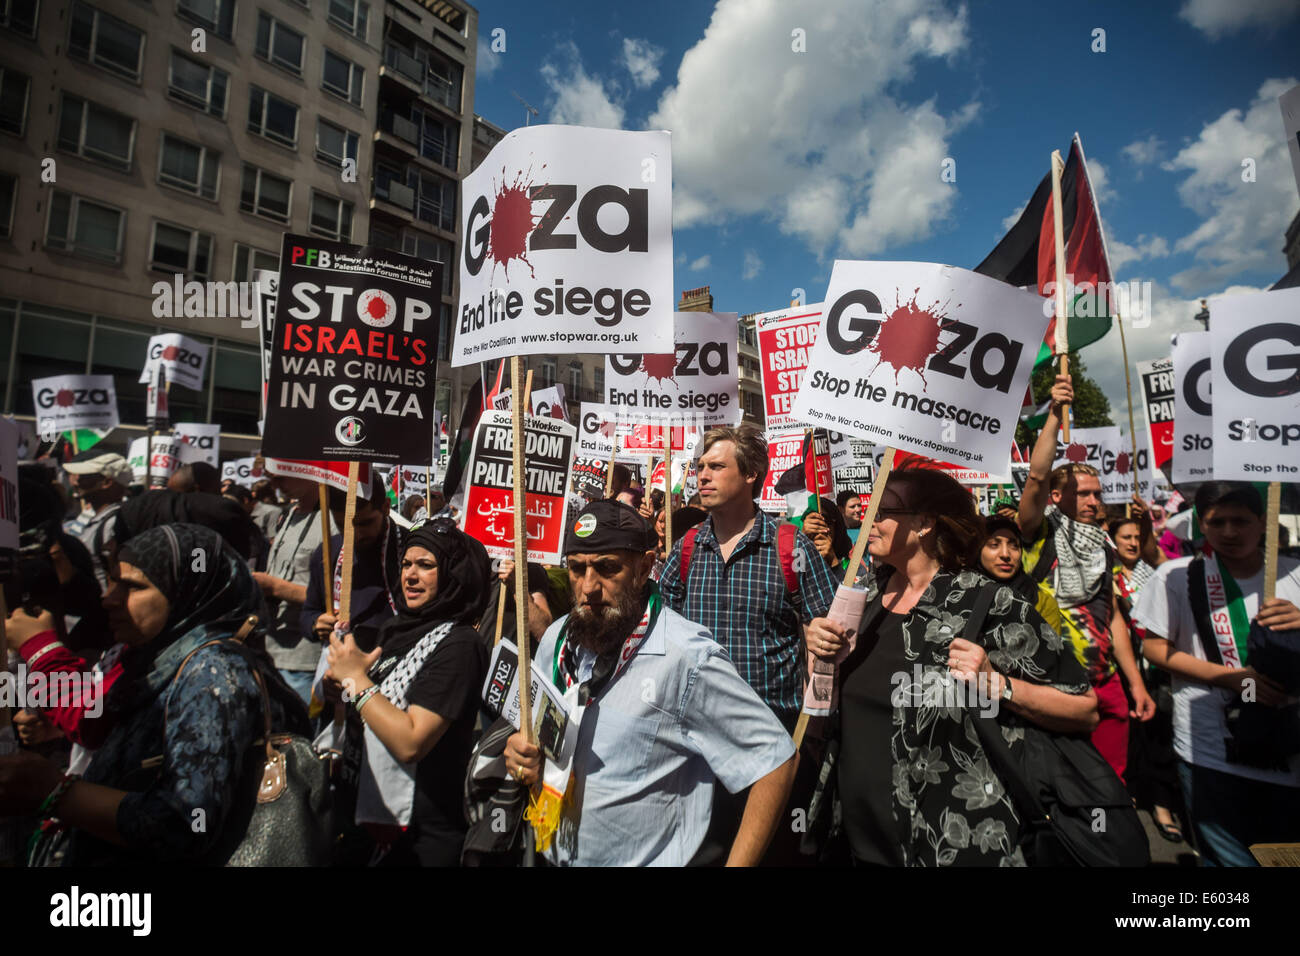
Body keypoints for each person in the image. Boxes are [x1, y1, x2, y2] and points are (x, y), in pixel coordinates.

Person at [805, 467, 1097, 866]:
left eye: (882, 509)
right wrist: (818, 651)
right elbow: (833, 702)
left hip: (952, 843)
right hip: (857, 843)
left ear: (924, 523)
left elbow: (1084, 708)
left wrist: (996, 684)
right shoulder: (864, 595)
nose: (866, 517)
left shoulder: (988, 604)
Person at [503, 501, 797, 866]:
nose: (588, 587)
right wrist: (523, 753)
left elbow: (774, 760)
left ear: (643, 568)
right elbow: (539, 737)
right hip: (550, 850)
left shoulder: (687, 657)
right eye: (576, 569)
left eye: (607, 568)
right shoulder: (556, 640)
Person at [0, 524, 310, 865]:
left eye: (132, 586)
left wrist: (55, 791)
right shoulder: (155, 659)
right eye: (113, 581)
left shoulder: (214, 673)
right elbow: (91, 720)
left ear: (187, 592)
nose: (109, 598)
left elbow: (188, 823)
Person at [1134, 481, 1300, 866]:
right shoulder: (1175, 576)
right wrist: (1231, 679)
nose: (1229, 532)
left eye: (1240, 521)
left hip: (1288, 748)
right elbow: (1155, 649)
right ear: (1201, 526)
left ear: (1263, 522)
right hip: (1209, 750)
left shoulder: (1293, 573)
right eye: (1217, 521)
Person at [325, 518, 491, 866]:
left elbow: (411, 741)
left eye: (426, 565)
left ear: (452, 574)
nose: (410, 576)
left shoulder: (460, 644)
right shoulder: (396, 629)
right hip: (364, 821)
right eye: (405, 564)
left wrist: (356, 681)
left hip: (419, 840)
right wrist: (338, 690)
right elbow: (369, 708)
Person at [1018, 373, 1154, 780]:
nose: (1095, 501)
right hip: (1054, 687)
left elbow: (1111, 616)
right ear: (1058, 499)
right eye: (1085, 493)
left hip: (1107, 683)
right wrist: (1057, 415)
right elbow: (1039, 476)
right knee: (1066, 791)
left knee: (1112, 787)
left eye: (1097, 493)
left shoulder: (1103, 544)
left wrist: (1134, 684)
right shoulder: (1039, 532)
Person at [659, 423, 837, 729]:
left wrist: (816, 719)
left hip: (773, 728)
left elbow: (828, 631)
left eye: (716, 466)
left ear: (750, 473)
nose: (703, 476)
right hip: (698, 727)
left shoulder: (791, 546)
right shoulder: (687, 547)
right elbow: (662, 633)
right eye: (701, 467)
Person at [1110, 508, 1182, 843]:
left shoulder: (1156, 571)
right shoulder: (1106, 574)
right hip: (1124, 668)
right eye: (1127, 537)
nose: (1134, 542)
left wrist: (1144, 523)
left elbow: (1157, 552)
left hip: (1158, 670)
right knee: (1132, 737)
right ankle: (1134, 790)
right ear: (1113, 541)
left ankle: (1163, 805)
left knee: (1160, 735)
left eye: (1138, 537)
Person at [251, 475, 335, 704]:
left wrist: (276, 587)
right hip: (272, 649)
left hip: (305, 659)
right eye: (271, 478)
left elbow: (338, 596)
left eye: (282, 477)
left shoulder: (333, 521)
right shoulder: (288, 514)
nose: (276, 485)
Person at [302, 479, 400, 657]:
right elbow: (309, 611)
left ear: (386, 507)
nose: (355, 535)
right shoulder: (326, 553)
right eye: (344, 526)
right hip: (340, 665)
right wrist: (316, 624)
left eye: (365, 523)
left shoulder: (411, 549)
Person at [61, 451, 132, 590]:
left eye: (84, 477)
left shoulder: (115, 523)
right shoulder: (101, 519)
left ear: (106, 482)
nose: (77, 482)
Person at [799, 498, 852, 574]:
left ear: (836, 527)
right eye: (811, 521)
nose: (817, 528)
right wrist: (802, 542)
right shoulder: (797, 556)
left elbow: (852, 585)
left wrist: (833, 561)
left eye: (825, 520)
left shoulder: (851, 562)